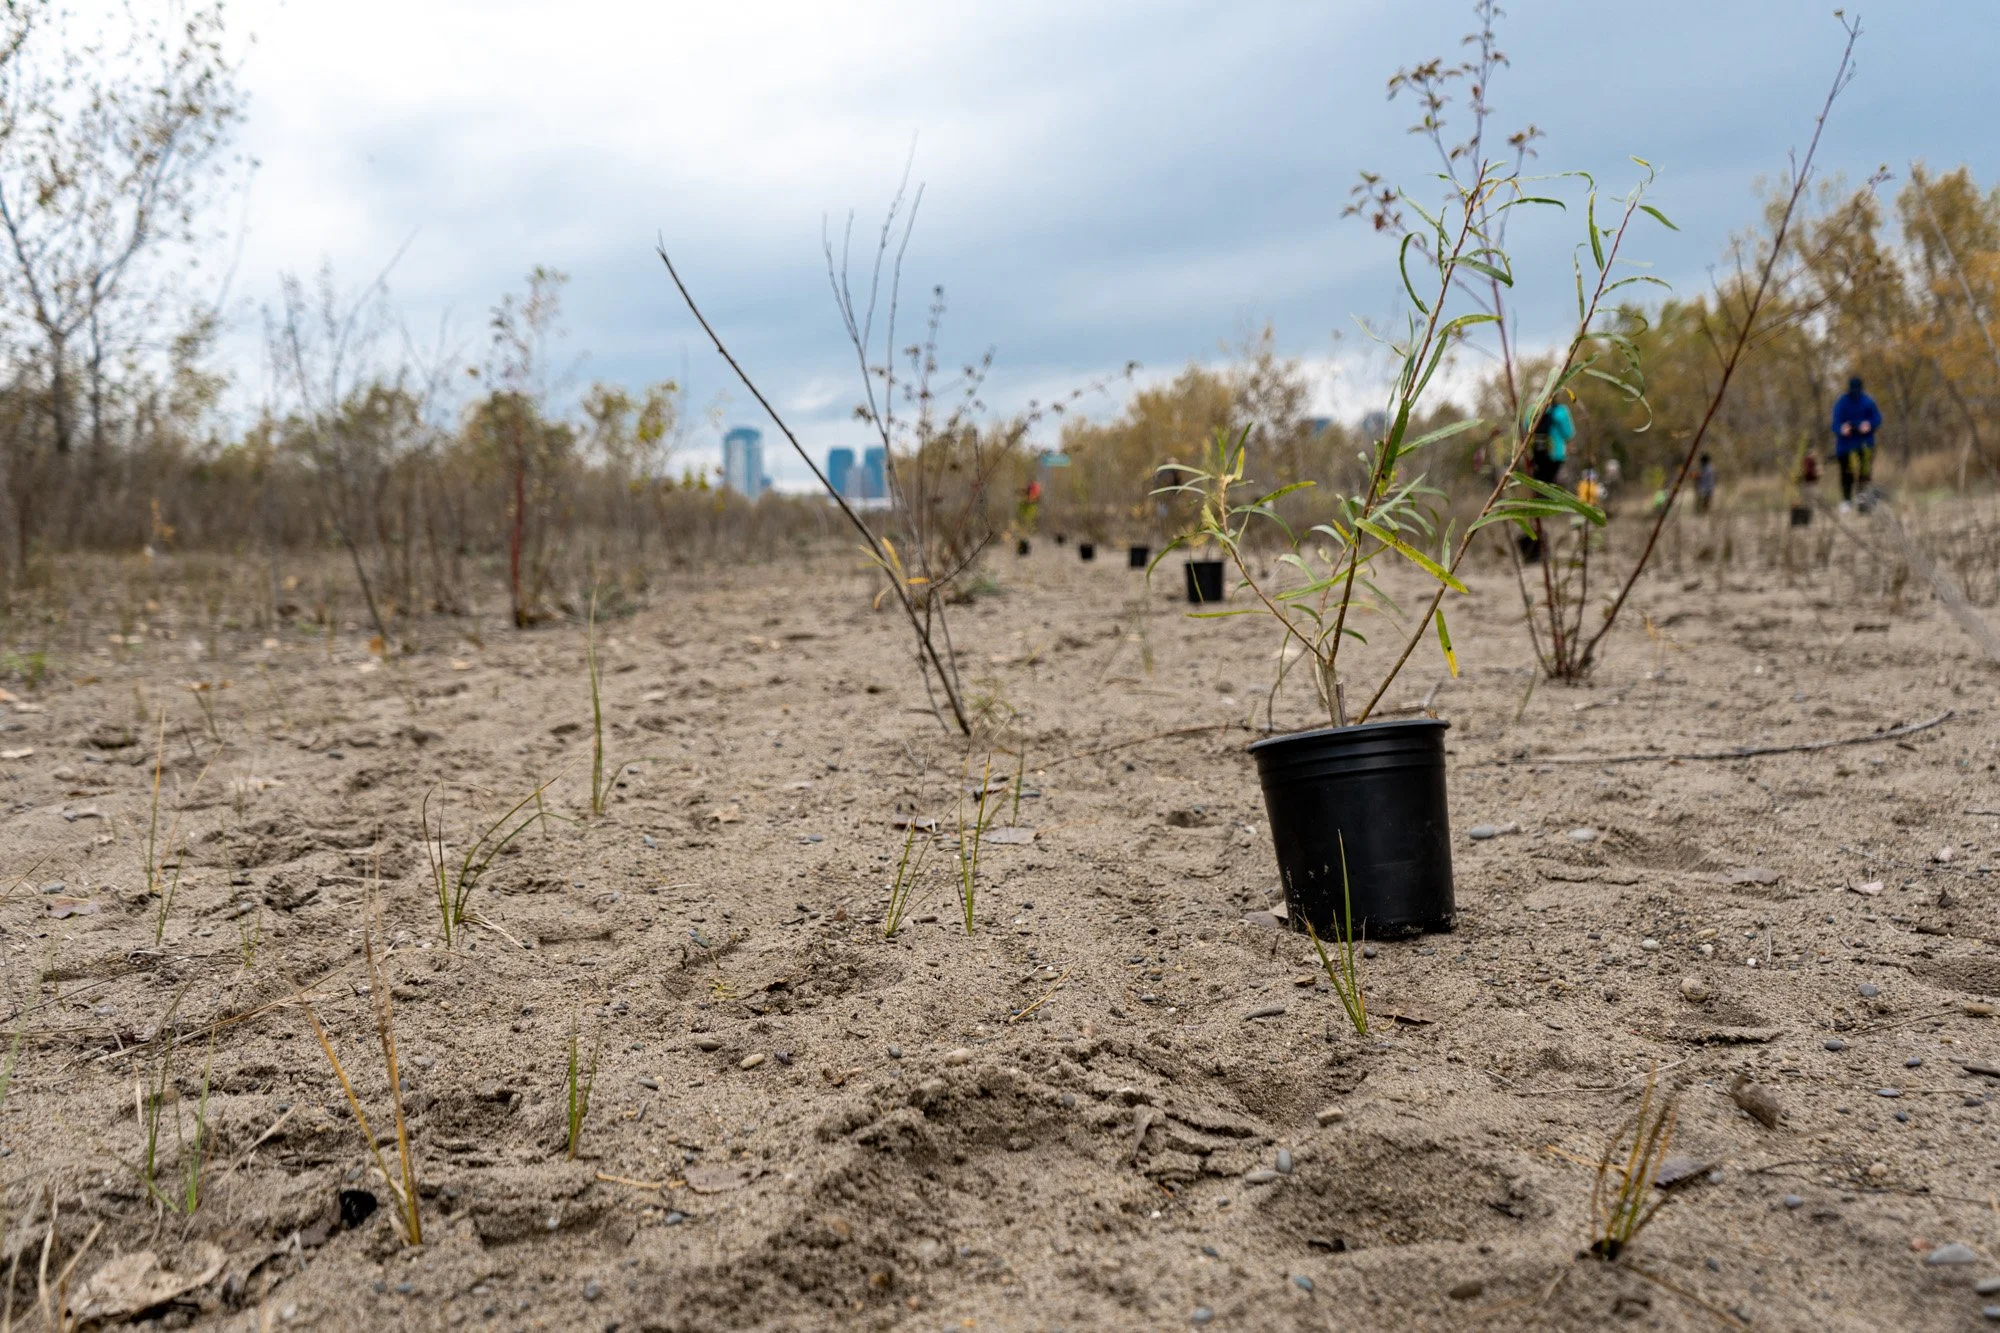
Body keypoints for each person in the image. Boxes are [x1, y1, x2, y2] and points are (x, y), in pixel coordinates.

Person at [1518, 397, 1574, 562]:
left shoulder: (1531, 410)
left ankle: (1535, 534)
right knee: (1551, 495)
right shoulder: (1560, 411)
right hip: (1555, 456)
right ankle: (1542, 536)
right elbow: (1569, 433)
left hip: (1536, 457)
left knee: (1535, 495)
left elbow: (1525, 429)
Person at [1830, 375, 1880, 512]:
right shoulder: (1841, 403)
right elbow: (1835, 423)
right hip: (1845, 446)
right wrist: (1842, 429)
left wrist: (1868, 425)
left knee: (1865, 472)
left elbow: (1877, 418)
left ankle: (1863, 499)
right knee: (1847, 473)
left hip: (1864, 444)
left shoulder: (1868, 401)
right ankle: (1846, 500)